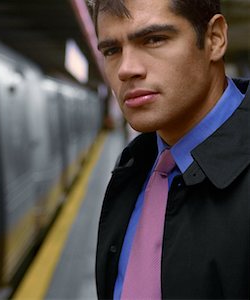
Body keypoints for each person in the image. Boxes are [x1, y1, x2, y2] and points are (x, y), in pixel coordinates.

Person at [89, 0, 249, 299]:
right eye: (111, 50)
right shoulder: (136, 165)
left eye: (154, 39)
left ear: (215, 38)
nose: (126, 69)